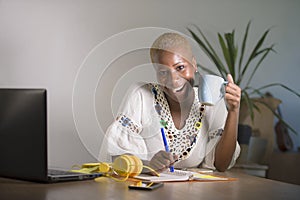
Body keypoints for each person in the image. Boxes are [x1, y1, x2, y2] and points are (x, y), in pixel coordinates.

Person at [100, 32, 241, 172]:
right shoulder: (142, 95)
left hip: (194, 192)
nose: (173, 80)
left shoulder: (211, 101)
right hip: (148, 191)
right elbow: (117, 158)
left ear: (194, 64)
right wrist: (148, 164)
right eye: (163, 72)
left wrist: (234, 111)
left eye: (180, 68)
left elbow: (221, 164)